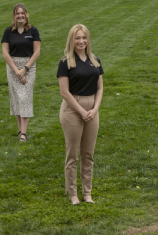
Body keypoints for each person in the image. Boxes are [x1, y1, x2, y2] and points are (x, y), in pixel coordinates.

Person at [57, 24, 104, 205]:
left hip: (92, 109)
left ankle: (87, 193)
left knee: (88, 154)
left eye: (84, 38)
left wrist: (94, 109)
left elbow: (100, 88)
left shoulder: (95, 60)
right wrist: (82, 110)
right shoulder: (65, 62)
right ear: (72, 40)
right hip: (73, 110)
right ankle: (73, 194)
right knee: (73, 154)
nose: (81, 41)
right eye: (77, 38)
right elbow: (64, 92)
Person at [0, 3, 41, 142]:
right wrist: (17, 71)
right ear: (14, 16)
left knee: (25, 98)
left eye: (22, 13)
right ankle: (20, 131)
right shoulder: (8, 32)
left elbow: (36, 53)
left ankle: (24, 134)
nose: (20, 16)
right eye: (17, 13)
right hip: (12, 67)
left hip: (28, 66)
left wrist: (24, 69)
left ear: (26, 15)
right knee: (17, 99)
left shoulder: (33, 31)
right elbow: (5, 54)